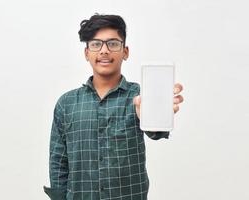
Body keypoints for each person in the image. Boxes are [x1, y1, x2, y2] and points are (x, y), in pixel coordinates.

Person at [43, 14, 184, 200]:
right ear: (87, 53)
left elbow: (155, 132)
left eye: (113, 44)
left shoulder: (139, 97)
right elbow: (58, 163)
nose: (104, 51)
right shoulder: (66, 104)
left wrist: (157, 114)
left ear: (125, 52)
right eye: (96, 44)